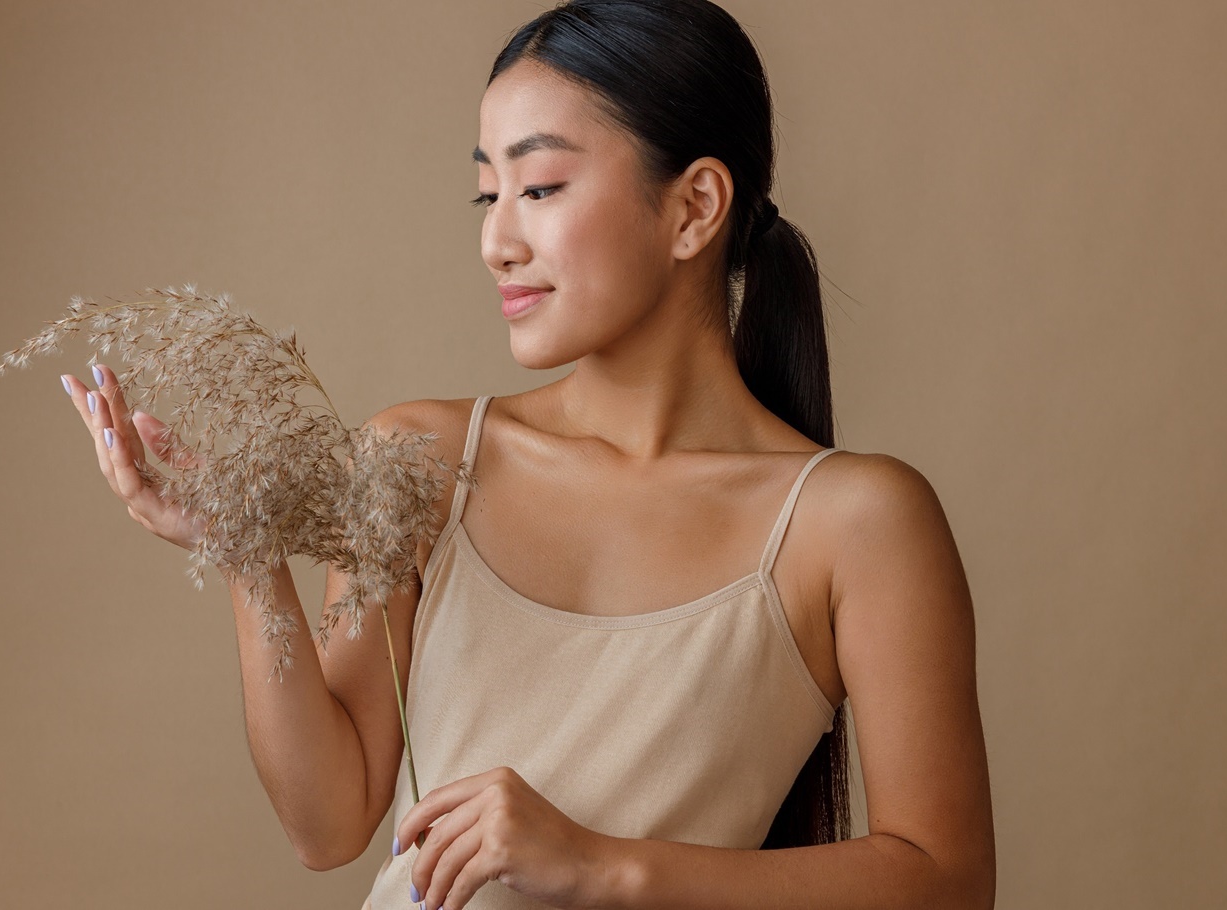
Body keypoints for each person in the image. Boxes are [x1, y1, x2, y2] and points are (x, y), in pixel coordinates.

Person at [60, 1, 994, 907]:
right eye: (488, 191)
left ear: (695, 206)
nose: (495, 241)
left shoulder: (853, 522)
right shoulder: (419, 458)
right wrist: (249, 556)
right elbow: (329, 823)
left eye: (539, 187)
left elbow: (946, 880)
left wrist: (601, 867)